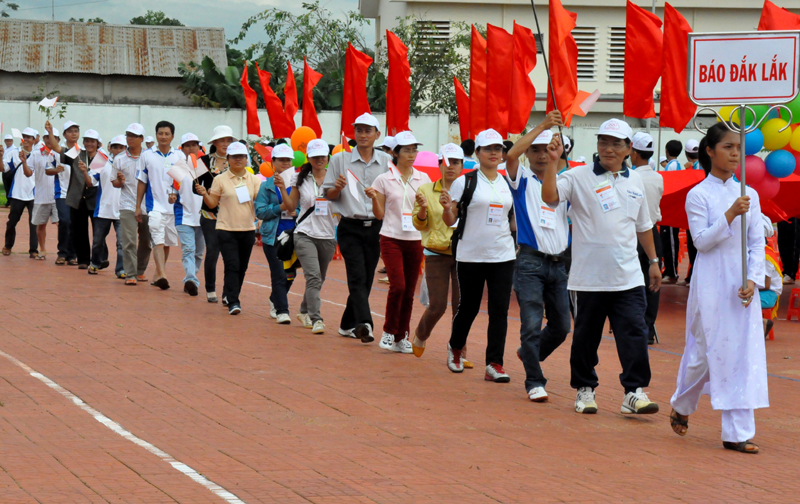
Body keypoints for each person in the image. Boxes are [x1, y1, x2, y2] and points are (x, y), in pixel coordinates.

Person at [541, 118, 661, 415]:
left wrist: (654, 261)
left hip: (629, 276)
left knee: (634, 332)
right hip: (589, 278)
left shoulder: (636, 181)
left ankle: (633, 392)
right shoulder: (578, 176)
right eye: (603, 142)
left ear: (628, 149)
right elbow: (550, 197)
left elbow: (643, 225)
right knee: (586, 337)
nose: (608, 148)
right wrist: (553, 164)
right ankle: (584, 389)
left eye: (616, 143)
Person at [669, 122, 767, 454]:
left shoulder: (749, 194)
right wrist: (728, 215)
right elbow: (701, 242)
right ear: (709, 151)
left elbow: (756, 244)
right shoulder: (698, 195)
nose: (735, 154)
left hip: (741, 287)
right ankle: (682, 403)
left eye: (738, 148)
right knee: (703, 353)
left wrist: (753, 279)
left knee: (741, 353)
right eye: (728, 147)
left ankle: (737, 432)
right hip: (711, 282)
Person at [505, 112, 572, 401]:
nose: (542, 155)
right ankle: (534, 380)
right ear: (528, 154)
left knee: (561, 327)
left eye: (547, 149)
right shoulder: (521, 180)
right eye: (536, 150)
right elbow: (511, 155)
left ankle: (528, 354)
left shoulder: (566, 182)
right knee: (531, 323)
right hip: (530, 262)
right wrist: (543, 126)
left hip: (560, 263)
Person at [440, 128, 516, 382]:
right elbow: (450, 218)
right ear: (478, 152)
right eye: (488, 149)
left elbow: (513, 219)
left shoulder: (508, 183)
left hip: (503, 255)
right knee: (469, 307)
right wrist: (446, 209)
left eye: (498, 149)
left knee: (499, 310)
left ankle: (494, 364)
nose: (494, 153)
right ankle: (455, 348)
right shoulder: (466, 181)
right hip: (471, 254)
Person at [322, 113, 391, 343]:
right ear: (354, 133)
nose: (363, 135)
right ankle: (365, 323)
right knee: (357, 275)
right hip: (350, 226)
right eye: (359, 130)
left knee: (367, 278)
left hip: (376, 226)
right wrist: (338, 188)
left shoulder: (386, 161)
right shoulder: (339, 160)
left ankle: (346, 324)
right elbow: (328, 194)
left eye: (368, 130)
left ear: (377, 135)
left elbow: (391, 195)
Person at [366, 131, 431, 353]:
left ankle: (401, 336)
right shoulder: (384, 179)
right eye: (406, 150)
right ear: (395, 153)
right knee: (398, 286)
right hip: (391, 237)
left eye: (414, 149)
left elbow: (428, 213)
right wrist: (374, 199)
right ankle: (388, 330)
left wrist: (424, 205)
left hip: (415, 239)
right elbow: (379, 214)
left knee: (409, 289)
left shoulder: (423, 178)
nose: (411, 154)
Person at [411, 143, 468, 360]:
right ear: (439, 165)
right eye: (446, 162)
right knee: (437, 305)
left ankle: (459, 352)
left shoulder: (469, 189)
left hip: (463, 254)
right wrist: (424, 209)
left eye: (455, 162)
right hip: (436, 253)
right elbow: (419, 224)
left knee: (461, 307)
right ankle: (420, 334)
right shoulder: (426, 190)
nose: (450, 166)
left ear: (462, 165)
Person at [276, 139, 337, 333]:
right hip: (305, 233)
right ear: (308, 158)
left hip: (327, 235)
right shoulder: (299, 178)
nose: (319, 159)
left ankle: (303, 310)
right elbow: (291, 207)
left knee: (320, 278)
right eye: (315, 156)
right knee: (313, 277)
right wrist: (281, 190)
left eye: (322, 155)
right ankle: (316, 318)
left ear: (327, 157)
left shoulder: (335, 178)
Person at [195, 141, 261, 315]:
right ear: (229, 159)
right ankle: (234, 301)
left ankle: (229, 294)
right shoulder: (220, 179)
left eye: (241, 156)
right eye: (234, 156)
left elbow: (258, 203)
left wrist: (260, 219)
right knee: (232, 264)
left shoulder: (254, 180)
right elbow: (212, 203)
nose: (238, 160)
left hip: (247, 229)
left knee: (242, 267)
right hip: (226, 228)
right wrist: (205, 194)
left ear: (246, 158)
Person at [137, 121, 181, 290]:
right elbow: (142, 182)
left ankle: (157, 273)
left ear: (172, 136)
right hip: (153, 206)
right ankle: (162, 274)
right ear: (156, 135)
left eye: (167, 134)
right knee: (157, 238)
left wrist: (175, 195)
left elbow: (180, 182)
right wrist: (137, 206)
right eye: (160, 133)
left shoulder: (178, 156)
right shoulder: (147, 155)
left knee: (168, 242)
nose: (163, 137)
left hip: (172, 207)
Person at [193, 125, 234, 303]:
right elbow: (194, 187)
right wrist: (203, 190)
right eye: (222, 140)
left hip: (231, 214)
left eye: (228, 140)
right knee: (212, 251)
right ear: (215, 142)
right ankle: (210, 289)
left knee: (230, 255)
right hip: (209, 214)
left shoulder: (237, 161)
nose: (225, 144)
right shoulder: (203, 161)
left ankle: (228, 293)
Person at [630, 132, 664, 345]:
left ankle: (634, 326)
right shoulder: (658, 177)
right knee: (652, 282)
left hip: (634, 234)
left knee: (633, 282)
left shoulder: (632, 177)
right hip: (653, 231)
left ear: (633, 153)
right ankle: (648, 328)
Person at [112, 123, 151, 286]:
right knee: (128, 240)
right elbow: (114, 182)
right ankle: (130, 273)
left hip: (147, 205)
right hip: (127, 204)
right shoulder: (119, 158)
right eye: (128, 135)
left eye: (134, 136)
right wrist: (119, 181)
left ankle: (140, 270)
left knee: (146, 241)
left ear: (141, 139)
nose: (130, 139)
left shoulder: (149, 157)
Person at [175, 133, 206, 296]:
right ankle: (191, 280)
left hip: (202, 216)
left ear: (199, 147)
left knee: (199, 252)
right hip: (183, 215)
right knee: (188, 249)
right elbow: (171, 189)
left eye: (194, 145)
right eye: (188, 145)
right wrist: (172, 195)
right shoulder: (178, 167)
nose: (191, 148)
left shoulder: (203, 167)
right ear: (182, 148)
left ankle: (191, 278)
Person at [271, 144, 299, 321]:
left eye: (288, 160)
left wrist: (298, 211)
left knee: (291, 273)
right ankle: (281, 309)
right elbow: (261, 210)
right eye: (281, 160)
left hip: (294, 233)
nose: (285, 163)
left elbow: (306, 205)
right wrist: (281, 207)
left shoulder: (299, 182)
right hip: (273, 233)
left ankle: (274, 298)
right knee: (280, 272)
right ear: (273, 161)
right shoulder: (267, 184)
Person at [88, 137, 124, 277]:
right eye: (115, 147)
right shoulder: (101, 160)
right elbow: (91, 181)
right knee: (98, 241)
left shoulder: (131, 162)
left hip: (123, 209)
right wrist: (85, 172)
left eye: (121, 147)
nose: (118, 150)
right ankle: (95, 263)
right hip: (103, 208)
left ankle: (121, 269)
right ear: (109, 148)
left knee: (122, 243)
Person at [27, 128, 63, 261]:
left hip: (59, 196)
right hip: (41, 195)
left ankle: (63, 252)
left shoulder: (62, 154)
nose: (49, 140)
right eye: (47, 137)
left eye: (53, 137)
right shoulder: (36, 154)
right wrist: (24, 162)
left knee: (62, 224)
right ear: (43, 138)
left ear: (58, 140)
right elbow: (28, 171)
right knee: (41, 224)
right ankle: (42, 249)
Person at [3, 128, 38, 258]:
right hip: (17, 193)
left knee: (34, 223)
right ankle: (8, 245)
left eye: (30, 137)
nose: (27, 139)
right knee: (12, 221)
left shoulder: (38, 154)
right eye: (24, 137)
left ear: (34, 140)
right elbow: (3, 169)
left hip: (34, 193)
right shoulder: (13, 153)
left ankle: (33, 249)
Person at [761, 215, 781, 337]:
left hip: (769, 294)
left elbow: (765, 284)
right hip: (761, 290)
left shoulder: (764, 255)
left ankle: (761, 323)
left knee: (737, 300)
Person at [778, 217, 799, 284]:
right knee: (782, 242)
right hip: (782, 213)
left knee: (792, 243)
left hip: (794, 213)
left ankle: (791, 274)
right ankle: (786, 272)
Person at [1, 134, 16, 208]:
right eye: (7, 141)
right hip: (4, 169)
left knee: (12, 186)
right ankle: (8, 201)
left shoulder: (15, 149)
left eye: (10, 141)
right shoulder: (3, 149)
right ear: (5, 141)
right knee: (6, 186)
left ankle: (13, 201)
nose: (8, 142)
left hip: (11, 170)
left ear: (12, 141)